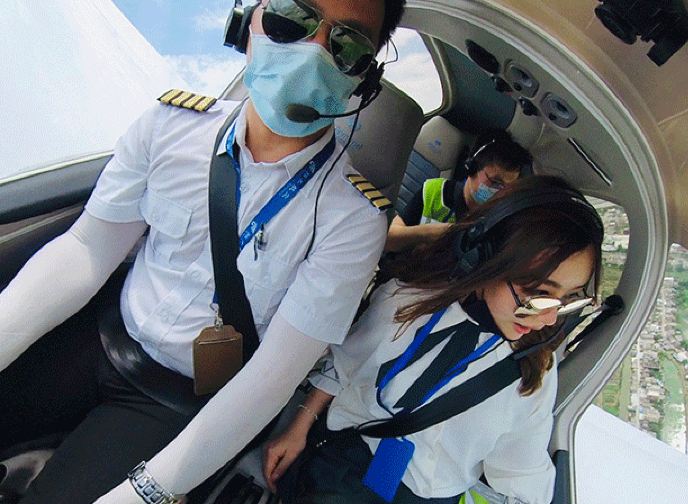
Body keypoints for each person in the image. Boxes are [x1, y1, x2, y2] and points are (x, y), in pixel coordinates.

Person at [0, 0, 405, 502]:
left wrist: (144, 493)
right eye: (292, 16)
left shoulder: (354, 220)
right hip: (103, 335)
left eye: (347, 43)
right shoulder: (169, 125)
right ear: (248, 19)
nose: (314, 50)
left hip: (177, 401)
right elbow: (86, 249)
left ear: (365, 77)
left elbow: (271, 377)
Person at [264, 176, 605, 504]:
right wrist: (298, 428)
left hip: (431, 495)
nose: (549, 318)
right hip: (351, 459)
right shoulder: (405, 302)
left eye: (568, 299)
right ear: (485, 256)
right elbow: (344, 366)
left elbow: (521, 472)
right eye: (538, 293)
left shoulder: (535, 367)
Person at [385, 129, 532, 252]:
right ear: (472, 167)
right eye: (495, 182)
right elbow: (388, 239)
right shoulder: (435, 191)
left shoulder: (498, 220)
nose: (500, 191)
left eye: (507, 187)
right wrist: (424, 234)